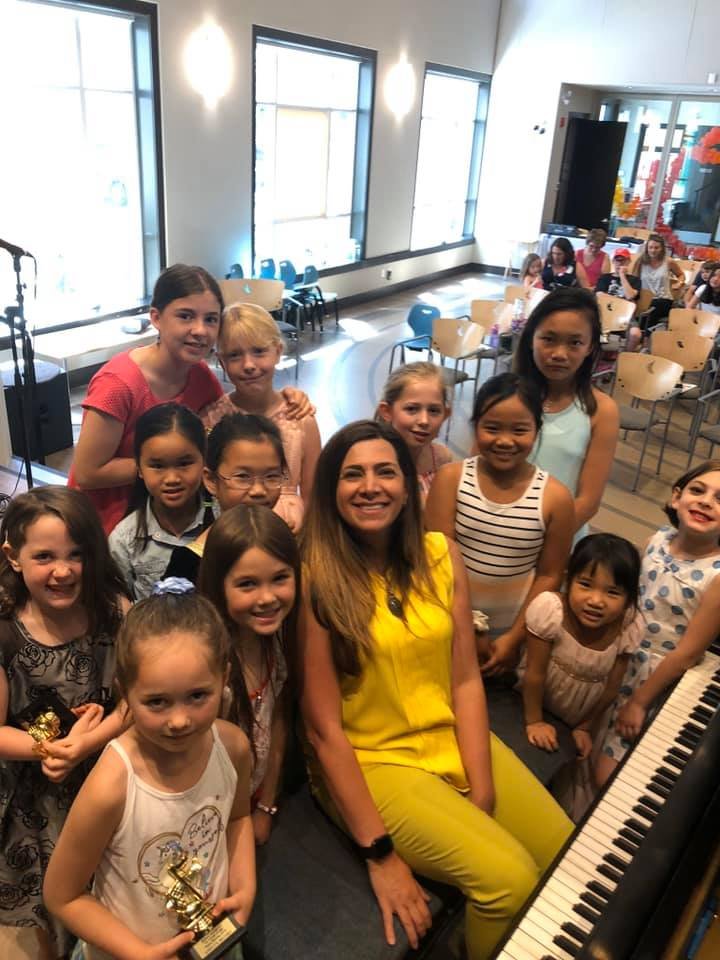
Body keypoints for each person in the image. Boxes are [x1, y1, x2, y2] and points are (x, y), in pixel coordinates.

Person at [299, 419, 573, 959]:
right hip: (372, 762)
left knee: (564, 850)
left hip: (443, 734)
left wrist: (481, 787)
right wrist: (380, 855)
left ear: (408, 485)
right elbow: (322, 729)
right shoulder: (313, 576)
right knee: (509, 881)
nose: (371, 486)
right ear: (330, 490)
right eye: (353, 475)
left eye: (385, 472)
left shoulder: (441, 554)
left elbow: (465, 679)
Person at [43, 581, 256, 960]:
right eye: (157, 702)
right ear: (125, 693)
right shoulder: (111, 786)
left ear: (224, 678)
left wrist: (245, 886)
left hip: (212, 943)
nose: (179, 720)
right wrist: (138, 952)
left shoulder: (233, 747)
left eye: (197, 696)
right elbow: (63, 895)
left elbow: (238, 817)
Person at [0, 487, 130, 959]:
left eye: (77, 554)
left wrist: (88, 742)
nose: (64, 570)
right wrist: (51, 748)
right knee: (49, 905)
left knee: (112, 895)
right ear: (13, 557)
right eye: (45, 556)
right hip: (34, 800)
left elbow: (136, 701)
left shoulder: (114, 612)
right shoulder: (5, 632)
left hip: (108, 779)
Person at [425, 373, 574, 672]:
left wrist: (514, 638)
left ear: (537, 429)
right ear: (475, 426)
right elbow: (437, 562)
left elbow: (549, 575)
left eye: (520, 430)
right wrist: (469, 627)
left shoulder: (555, 498)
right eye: (492, 428)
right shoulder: (451, 480)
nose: (505, 441)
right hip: (447, 626)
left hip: (510, 639)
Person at [69, 265, 225, 535]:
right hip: (106, 526)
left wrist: (285, 402)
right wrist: (170, 464)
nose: (200, 330)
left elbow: (226, 426)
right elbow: (87, 473)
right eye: (185, 316)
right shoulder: (117, 384)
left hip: (165, 517)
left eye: (211, 319)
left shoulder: (201, 376)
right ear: (156, 318)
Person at [596, 461, 720, 787]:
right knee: (587, 742)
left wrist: (639, 702)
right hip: (619, 656)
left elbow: (687, 653)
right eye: (698, 490)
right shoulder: (657, 539)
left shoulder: (716, 576)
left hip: (654, 678)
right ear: (675, 498)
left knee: (608, 773)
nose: (706, 501)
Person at [517, 533, 643, 819]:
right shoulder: (551, 610)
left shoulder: (628, 626)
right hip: (532, 705)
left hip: (579, 718)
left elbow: (611, 688)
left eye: (613, 592)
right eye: (585, 584)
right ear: (568, 580)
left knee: (562, 789)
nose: (596, 601)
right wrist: (534, 721)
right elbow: (534, 674)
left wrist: (585, 727)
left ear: (629, 599)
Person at [199, 505, 299, 845]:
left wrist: (266, 805)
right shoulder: (207, 665)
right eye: (247, 584)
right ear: (219, 586)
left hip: (252, 803)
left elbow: (277, 723)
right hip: (206, 816)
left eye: (280, 578)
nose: (267, 598)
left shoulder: (279, 643)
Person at [201, 303, 321, 532]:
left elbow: (314, 496)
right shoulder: (210, 420)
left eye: (259, 351)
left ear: (277, 351)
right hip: (233, 531)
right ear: (221, 362)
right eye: (234, 355)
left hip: (291, 533)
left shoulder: (301, 418)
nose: (248, 365)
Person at [513, 287, 620, 543]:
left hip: (558, 541)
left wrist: (537, 543)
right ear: (532, 338)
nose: (559, 354)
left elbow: (588, 502)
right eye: (548, 339)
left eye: (575, 343)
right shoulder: (506, 397)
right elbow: (477, 468)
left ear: (590, 346)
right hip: (496, 533)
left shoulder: (601, 410)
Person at [165, 412, 287, 584]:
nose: (258, 490)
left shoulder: (289, 545)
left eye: (271, 476)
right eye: (242, 477)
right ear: (211, 480)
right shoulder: (188, 565)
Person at [109, 403, 211, 600]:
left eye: (184, 463)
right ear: (139, 468)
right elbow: (119, 606)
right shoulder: (124, 541)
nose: (172, 478)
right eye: (157, 466)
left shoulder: (224, 521)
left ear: (204, 461)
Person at [376, 361, 451, 502]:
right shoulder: (372, 459)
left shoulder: (441, 459)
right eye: (411, 409)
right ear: (387, 412)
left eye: (434, 411)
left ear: (445, 415)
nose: (424, 421)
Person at [629, 233, 685, 327]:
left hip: (662, 298)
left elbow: (681, 275)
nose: (653, 250)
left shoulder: (669, 261)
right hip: (644, 297)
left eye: (656, 248)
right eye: (650, 247)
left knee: (650, 311)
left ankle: (643, 331)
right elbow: (634, 279)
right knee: (640, 309)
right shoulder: (640, 261)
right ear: (647, 248)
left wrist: (679, 283)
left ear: (662, 248)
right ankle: (642, 331)